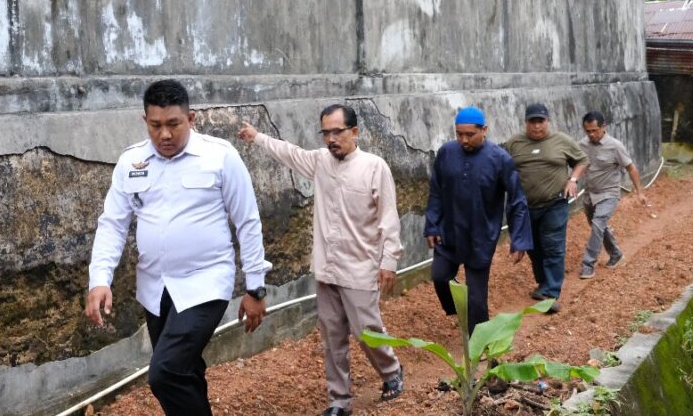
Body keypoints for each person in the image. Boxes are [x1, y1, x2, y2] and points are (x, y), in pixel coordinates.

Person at [85, 79, 272, 416]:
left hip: (206, 282)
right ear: (145, 122)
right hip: (155, 288)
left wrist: (255, 286)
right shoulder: (132, 162)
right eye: (156, 125)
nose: (165, 135)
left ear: (192, 119)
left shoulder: (220, 157)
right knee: (184, 370)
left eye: (173, 124)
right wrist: (99, 279)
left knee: (164, 372)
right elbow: (112, 223)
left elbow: (248, 221)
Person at [237, 105, 404, 416]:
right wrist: (257, 137)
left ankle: (392, 372)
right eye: (325, 132)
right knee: (332, 337)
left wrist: (389, 261)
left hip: (361, 268)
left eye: (337, 131)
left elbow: (388, 218)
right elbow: (289, 152)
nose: (331, 138)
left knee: (367, 331)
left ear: (355, 132)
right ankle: (339, 401)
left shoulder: (374, 167)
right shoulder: (320, 163)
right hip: (326, 269)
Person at [424, 106, 531, 334]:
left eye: (469, 135)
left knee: (476, 296)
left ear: (484, 130)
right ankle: (459, 311)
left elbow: (517, 200)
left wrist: (519, 240)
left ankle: (478, 342)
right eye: (459, 134)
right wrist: (432, 224)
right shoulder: (446, 153)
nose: (463, 140)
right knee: (440, 276)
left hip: (480, 236)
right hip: (449, 232)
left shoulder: (500, 159)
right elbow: (436, 191)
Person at [502, 103, 588, 312]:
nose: (537, 126)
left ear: (548, 121)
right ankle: (543, 284)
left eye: (541, 121)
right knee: (533, 247)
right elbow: (501, 166)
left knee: (553, 247)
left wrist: (573, 180)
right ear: (526, 123)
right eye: (533, 122)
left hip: (555, 203)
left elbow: (582, 160)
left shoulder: (562, 141)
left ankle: (551, 294)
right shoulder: (514, 143)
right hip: (525, 207)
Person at [577, 111, 649, 279]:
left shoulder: (615, 146)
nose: (591, 134)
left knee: (598, 223)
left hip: (609, 193)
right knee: (598, 226)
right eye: (588, 131)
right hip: (589, 194)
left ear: (604, 127)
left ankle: (588, 264)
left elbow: (631, 168)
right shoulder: (582, 145)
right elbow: (577, 165)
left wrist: (640, 192)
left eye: (594, 130)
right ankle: (616, 255)